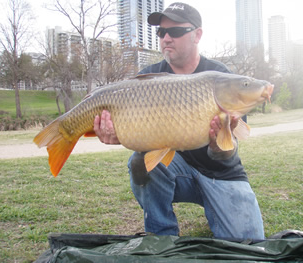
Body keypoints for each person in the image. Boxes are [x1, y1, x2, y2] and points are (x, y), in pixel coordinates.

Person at [93, 2, 264, 241]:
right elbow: (144, 139)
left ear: (197, 34)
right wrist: (116, 134)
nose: (166, 38)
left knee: (249, 244)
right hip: (176, 174)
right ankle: (161, 237)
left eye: (175, 31)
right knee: (139, 162)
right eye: (161, 32)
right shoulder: (148, 78)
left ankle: (220, 207)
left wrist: (218, 145)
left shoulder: (221, 78)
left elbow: (227, 153)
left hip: (221, 175)